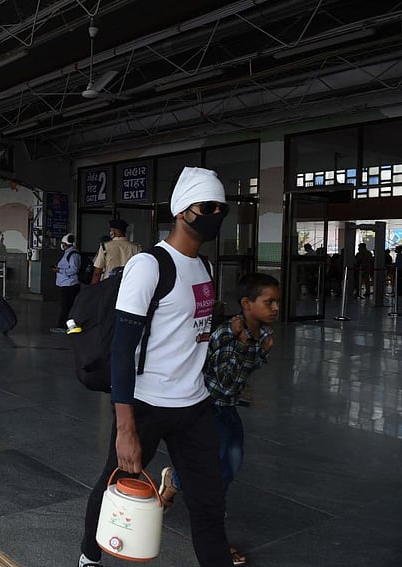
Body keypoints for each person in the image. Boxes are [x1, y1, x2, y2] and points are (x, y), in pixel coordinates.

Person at [78, 166, 234, 567]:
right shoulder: (150, 266)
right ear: (183, 211)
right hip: (145, 405)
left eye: (222, 207)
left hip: (193, 405)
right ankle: (88, 557)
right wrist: (125, 428)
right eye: (208, 206)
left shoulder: (206, 268)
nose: (217, 213)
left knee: (208, 505)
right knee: (112, 482)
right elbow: (123, 352)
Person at [159, 273, 279, 567]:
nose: (276, 307)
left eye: (277, 302)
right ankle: (216, 542)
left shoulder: (263, 336)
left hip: (227, 408)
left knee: (231, 464)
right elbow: (224, 380)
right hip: (207, 407)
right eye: (269, 302)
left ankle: (174, 480)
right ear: (247, 304)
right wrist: (241, 344)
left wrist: (256, 351)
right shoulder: (227, 332)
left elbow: (243, 377)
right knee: (218, 474)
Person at [91, 218, 142, 283]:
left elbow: (97, 272)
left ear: (113, 232)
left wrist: (93, 289)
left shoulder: (105, 247)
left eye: (111, 231)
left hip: (108, 284)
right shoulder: (136, 247)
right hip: (127, 283)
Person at [51, 233, 81, 334]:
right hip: (66, 284)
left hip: (70, 285)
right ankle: (67, 326)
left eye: (63, 243)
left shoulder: (73, 254)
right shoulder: (68, 253)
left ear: (65, 244)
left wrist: (59, 270)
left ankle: (63, 327)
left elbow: (74, 269)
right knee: (66, 306)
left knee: (66, 307)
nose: (61, 245)